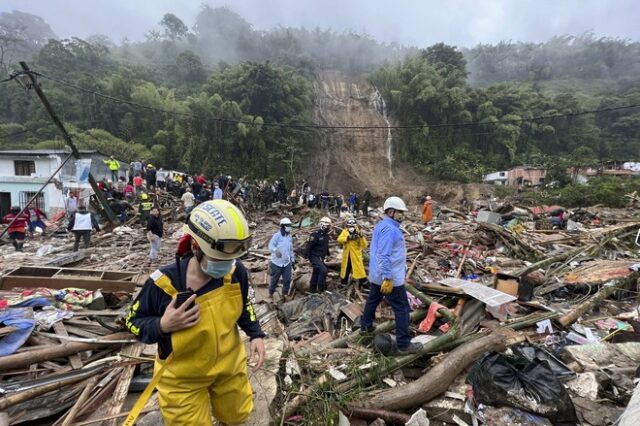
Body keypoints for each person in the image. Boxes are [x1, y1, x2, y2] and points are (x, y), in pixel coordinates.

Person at [125, 200, 265, 425]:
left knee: (238, 415)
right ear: (195, 246)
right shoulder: (163, 284)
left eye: (231, 260)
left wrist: (255, 333)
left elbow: (243, 304)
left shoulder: (235, 272)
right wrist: (163, 325)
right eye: (219, 259)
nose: (226, 266)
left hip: (229, 366)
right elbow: (132, 322)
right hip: (182, 379)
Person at [360, 196, 421, 355]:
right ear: (391, 212)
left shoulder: (382, 225)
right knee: (402, 309)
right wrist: (388, 277)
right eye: (400, 212)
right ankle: (403, 344)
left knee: (373, 299)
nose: (402, 215)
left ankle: (365, 327)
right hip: (390, 278)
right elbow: (383, 255)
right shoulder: (390, 229)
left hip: (377, 275)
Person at [268, 218, 295, 301]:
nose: (289, 227)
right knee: (275, 279)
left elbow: (290, 249)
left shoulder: (289, 237)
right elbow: (270, 246)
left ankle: (285, 294)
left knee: (287, 279)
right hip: (277, 262)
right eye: (288, 226)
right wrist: (276, 251)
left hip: (287, 262)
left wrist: (292, 259)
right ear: (283, 226)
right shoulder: (277, 236)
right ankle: (271, 293)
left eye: (290, 226)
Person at [337, 218, 368, 287]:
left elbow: (365, 245)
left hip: (355, 256)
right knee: (346, 270)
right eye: (350, 226)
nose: (351, 228)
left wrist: (361, 237)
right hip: (347, 256)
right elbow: (339, 239)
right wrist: (347, 238)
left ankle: (365, 284)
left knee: (359, 270)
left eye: (352, 226)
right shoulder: (345, 232)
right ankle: (343, 284)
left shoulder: (358, 233)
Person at [305, 216, 331, 293]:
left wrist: (328, 254)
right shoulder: (315, 235)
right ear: (322, 225)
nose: (328, 228)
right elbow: (309, 246)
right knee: (323, 270)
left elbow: (325, 245)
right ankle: (321, 290)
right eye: (327, 226)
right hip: (314, 256)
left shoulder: (326, 235)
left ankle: (312, 290)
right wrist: (306, 256)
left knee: (316, 272)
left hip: (320, 257)